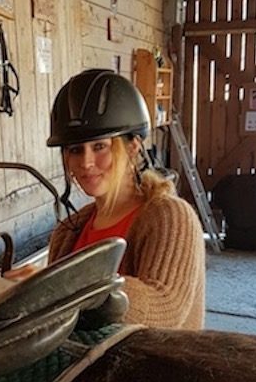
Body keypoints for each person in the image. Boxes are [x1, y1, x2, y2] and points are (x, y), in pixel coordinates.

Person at [45, 68, 205, 329]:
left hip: (157, 365)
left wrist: (64, 284)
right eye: (75, 150)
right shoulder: (67, 232)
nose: (86, 162)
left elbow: (166, 309)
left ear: (133, 147)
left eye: (100, 147)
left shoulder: (171, 218)